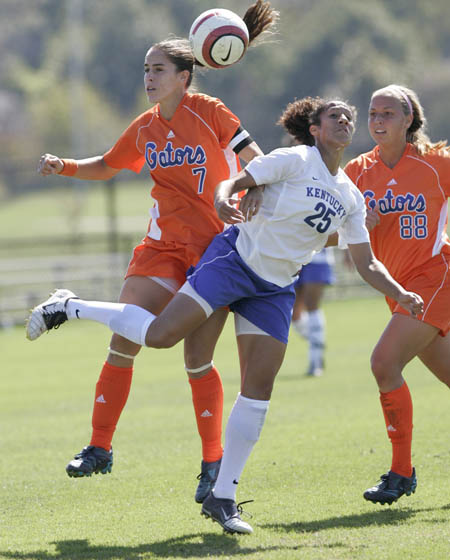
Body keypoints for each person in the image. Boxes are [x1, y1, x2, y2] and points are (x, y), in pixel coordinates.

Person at [27, 95, 424, 534]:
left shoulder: (349, 194)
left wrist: (400, 292)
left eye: (350, 116)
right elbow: (232, 182)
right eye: (336, 115)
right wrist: (222, 201)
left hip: (274, 288)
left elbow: (365, 261)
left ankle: (223, 496)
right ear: (315, 129)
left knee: (259, 386)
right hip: (233, 261)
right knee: (159, 336)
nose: (347, 120)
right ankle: (69, 305)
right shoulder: (294, 159)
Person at [34, 0, 279, 504]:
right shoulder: (146, 127)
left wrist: (252, 185)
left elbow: (252, 155)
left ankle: (212, 464)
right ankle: (99, 447)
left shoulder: (209, 111)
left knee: (195, 358)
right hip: (161, 247)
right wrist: (66, 167)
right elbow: (107, 162)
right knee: (124, 338)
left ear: (183, 76)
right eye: (145, 69)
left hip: (215, 250)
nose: (149, 77)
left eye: (158, 69)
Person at [344, 84, 450, 506]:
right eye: (372, 113)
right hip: (400, 292)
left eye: (388, 113)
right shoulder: (356, 173)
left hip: (435, 279)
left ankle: (401, 472)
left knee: (383, 363)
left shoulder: (435, 164)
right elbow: (329, 233)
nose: (378, 120)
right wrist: (354, 226)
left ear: (409, 120)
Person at [291, 247, 336, 376]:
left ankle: (316, 360)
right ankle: (317, 340)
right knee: (294, 314)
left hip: (318, 256)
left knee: (312, 305)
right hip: (293, 255)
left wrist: (349, 253)